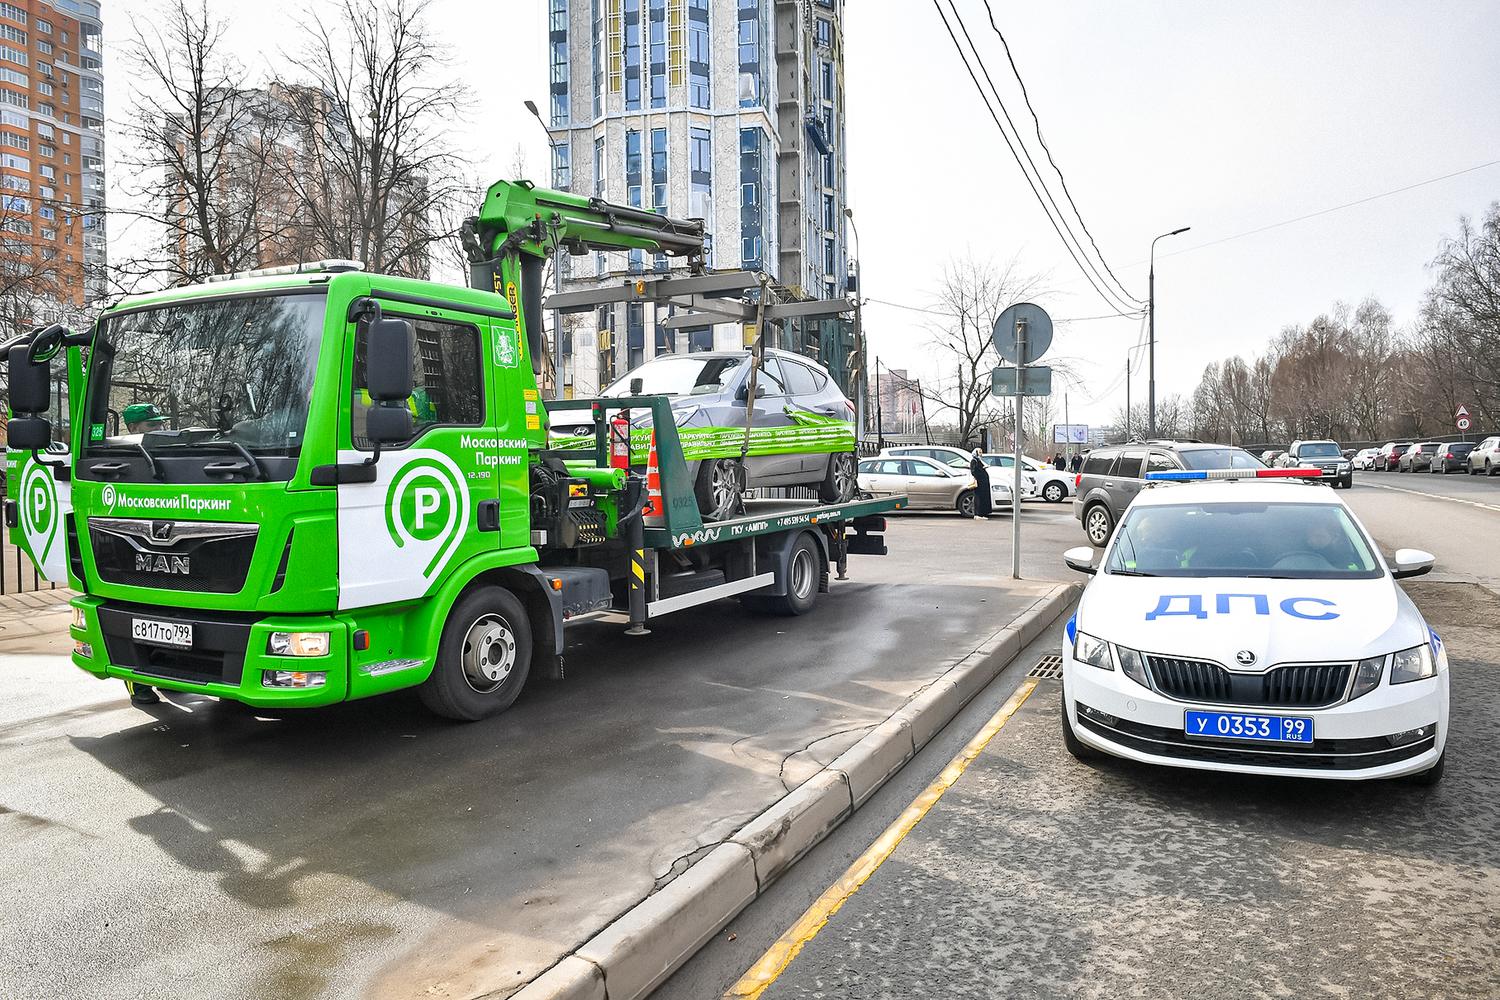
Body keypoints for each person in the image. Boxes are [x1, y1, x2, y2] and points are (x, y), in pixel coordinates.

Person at [970, 447, 993, 519]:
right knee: (979, 498)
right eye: (979, 452)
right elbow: (973, 471)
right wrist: (981, 472)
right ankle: (978, 514)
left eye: (981, 452)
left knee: (983, 498)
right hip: (979, 483)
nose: (981, 454)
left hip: (983, 483)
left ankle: (983, 513)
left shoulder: (979, 460)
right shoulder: (974, 461)